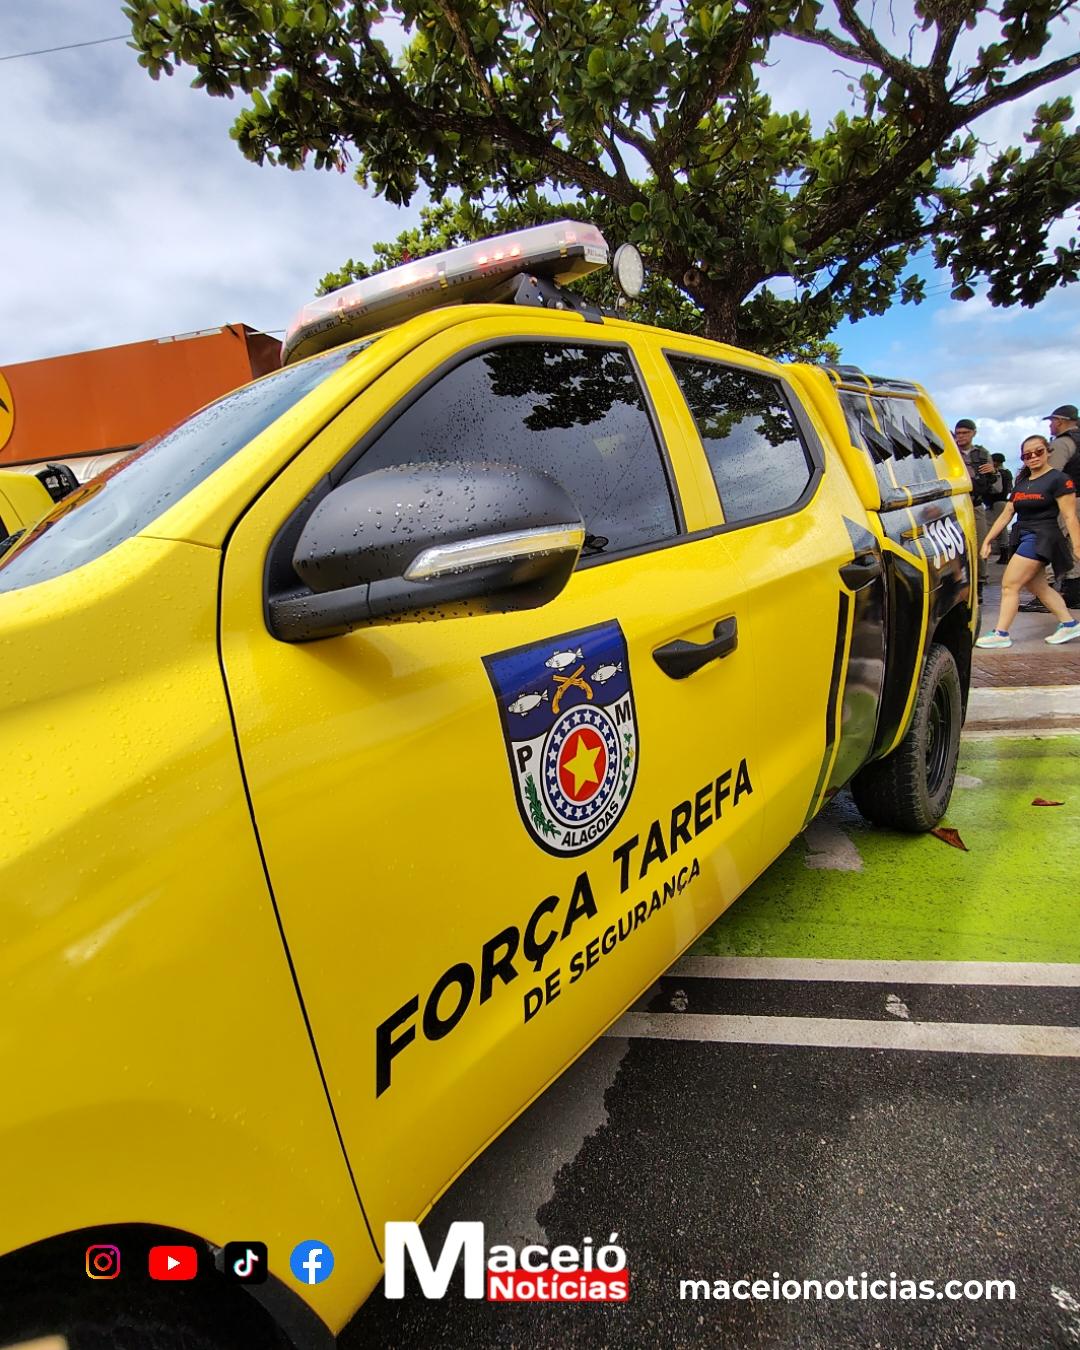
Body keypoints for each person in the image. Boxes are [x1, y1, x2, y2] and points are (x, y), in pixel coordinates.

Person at [976, 434, 1080, 648]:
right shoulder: (1023, 482)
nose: (1033, 457)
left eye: (1038, 452)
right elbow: (1007, 513)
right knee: (1038, 586)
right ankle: (1069, 623)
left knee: (1010, 584)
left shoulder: (1059, 480)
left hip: (1042, 537)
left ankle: (1001, 633)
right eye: (1027, 455)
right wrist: (987, 540)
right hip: (1023, 535)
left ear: (1047, 451)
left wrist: (1078, 545)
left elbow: (1070, 516)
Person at [953, 418, 1000, 598]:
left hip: (975, 504)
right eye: (958, 433)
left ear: (973, 433)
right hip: (956, 504)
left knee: (981, 544)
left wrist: (992, 472)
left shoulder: (981, 453)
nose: (961, 436)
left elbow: (992, 483)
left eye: (965, 433)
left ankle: (979, 583)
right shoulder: (950, 451)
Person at [1045, 404, 1080, 607]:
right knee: (1074, 545)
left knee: (1051, 541)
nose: (1050, 425)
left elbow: (1052, 474)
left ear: (1060, 421)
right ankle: (1074, 592)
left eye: (1052, 421)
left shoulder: (1062, 443)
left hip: (1068, 499)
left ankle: (1046, 592)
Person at [990, 452, 1013, 564]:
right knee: (1002, 528)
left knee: (1000, 528)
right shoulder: (1007, 473)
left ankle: (1004, 554)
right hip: (1004, 501)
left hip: (997, 502)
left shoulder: (999, 473)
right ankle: (1005, 554)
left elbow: (995, 489)